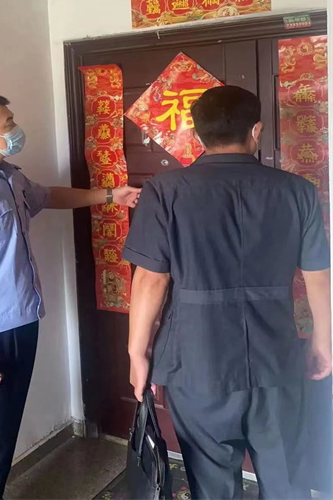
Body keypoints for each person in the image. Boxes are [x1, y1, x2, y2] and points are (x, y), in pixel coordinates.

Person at [0, 91, 140, 500]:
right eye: (8, 124)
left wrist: (109, 195)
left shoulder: (9, 177)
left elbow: (47, 196)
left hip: (20, 325)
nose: (16, 130)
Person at [123, 86, 332, 500]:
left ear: (197, 135)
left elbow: (150, 280)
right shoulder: (298, 191)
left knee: (211, 479)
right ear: (256, 130)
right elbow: (318, 276)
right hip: (276, 356)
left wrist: (136, 353)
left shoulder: (165, 190)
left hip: (196, 359)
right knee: (286, 474)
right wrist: (323, 341)